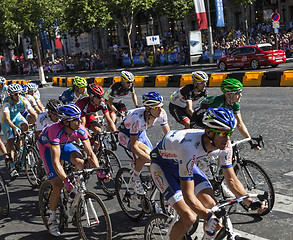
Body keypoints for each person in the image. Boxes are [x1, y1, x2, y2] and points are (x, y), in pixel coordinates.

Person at [150, 107, 267, 240]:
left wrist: (250, 203)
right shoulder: (188, 147)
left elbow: (232, 180)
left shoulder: (225, 146)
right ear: (209, 132)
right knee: (189, 217)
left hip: (183, 163)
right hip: (162, 167)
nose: (227, 139)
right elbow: (188, 194)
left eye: (230, 133)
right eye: (223, 134)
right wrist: (206, 216)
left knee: (213, 207)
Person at [38, 103, 108, 237]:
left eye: (79, 117)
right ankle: (52, 219)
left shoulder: (80, 129)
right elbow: (55, 162)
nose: (80, 121)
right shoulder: (54, 131)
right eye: (76, 119)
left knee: (80, 162)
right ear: (66, 122)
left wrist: (100, 171)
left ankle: (75, 189)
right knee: (57, 186)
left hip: (65, 144)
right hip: (48, 148)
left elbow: (90, 154)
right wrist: (65, 180)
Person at [118, 91, 170, 195]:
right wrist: (150, 158)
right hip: (126, 135)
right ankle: (134, 179)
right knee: (146, 154)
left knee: (153, 166)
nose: (160, 110)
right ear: (147, 108)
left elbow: (169, 136)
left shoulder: (162, 113)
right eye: (156, 108)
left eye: (161, 106)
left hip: (140, 133)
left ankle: (150, 197)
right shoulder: (136, 119)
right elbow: (134, 146)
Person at [190, 78, 259, 150]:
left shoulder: (234, 102)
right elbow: (212, 127)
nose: (240, 95)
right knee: (211, 143)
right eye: (237, 93)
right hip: (198, 120)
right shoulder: (217, 104)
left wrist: (250, 141)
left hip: (208, 119)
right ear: (228, 94)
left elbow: (240, 124)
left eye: (240, 92)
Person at [1, 83, 37, 180]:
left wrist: (38, 124)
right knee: (11, 140)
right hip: (6, 121)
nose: (18, 96)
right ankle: (11, 165)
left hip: (17, 116)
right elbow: (8, 119)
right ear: (11, 95)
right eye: (15, 94)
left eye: (19, 93)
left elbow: (33, 113)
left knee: (25, 127)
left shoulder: (23, 100)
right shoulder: (6, 102)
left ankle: (20, 146)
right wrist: (14, 127)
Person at [75, 83, 116, 150]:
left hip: (88, 116)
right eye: (99, 97)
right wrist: (89, 137)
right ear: (91, 97)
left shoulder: (102, 103)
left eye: (102, 96)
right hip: (78, 118)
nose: (101, 99)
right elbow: (82, 125)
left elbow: (109, 120)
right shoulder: (84, 104)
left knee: (99, 131)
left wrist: (115, 133)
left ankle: (95, 153)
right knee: (85, 137)